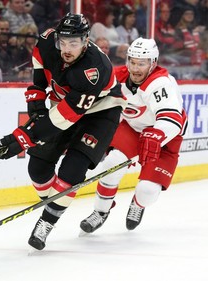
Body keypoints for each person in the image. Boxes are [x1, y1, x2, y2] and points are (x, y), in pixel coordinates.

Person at [0, 13, 127, 251]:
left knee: (72, 169)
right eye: (62, 42)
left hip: (100, 113)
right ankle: (54, 203)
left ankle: (47, 221)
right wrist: (35, 97)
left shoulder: (95, 68)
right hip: (64, 105)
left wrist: (23, 138)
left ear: (86, 41)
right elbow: (38, 67)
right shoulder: (46, 40)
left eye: (73, 43)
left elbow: (66, 117)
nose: (66, 48)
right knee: (37, 168)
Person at [80, 38, 188, 234]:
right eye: (132, 61)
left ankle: (138, 204)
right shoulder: (118, 76)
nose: (135, 68)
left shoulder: (161, 82)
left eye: (142, 63)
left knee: (147, 190)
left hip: (166, 135)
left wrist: (156, 136)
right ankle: (101, 211)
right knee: (111, 164)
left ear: (153, 63)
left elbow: (172, 119)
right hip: (133, 128)